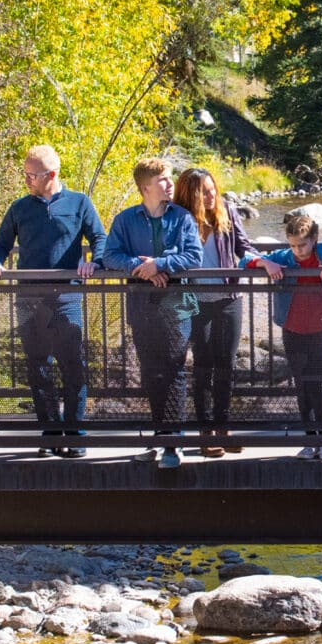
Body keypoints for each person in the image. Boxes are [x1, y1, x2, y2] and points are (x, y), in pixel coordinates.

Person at [0, 144, 106, 456]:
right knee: (38, 367)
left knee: (73, 365)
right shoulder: (20, 208)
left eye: (31, 175)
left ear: (51, 175)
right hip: (29, 298)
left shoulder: (79, 203)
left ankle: (74, 435)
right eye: (24, 174)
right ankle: (50, 433)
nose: (26, 180)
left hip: (67, 296)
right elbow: (0, 244)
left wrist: (95, 262)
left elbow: (100, 239)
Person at [100, 156, 203, 469]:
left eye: (169, 179)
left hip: (177, 305)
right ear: (145, 187)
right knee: (151, 371)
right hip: (142, 304)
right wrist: (141, 268)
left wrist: (160, 264)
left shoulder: (182, 218)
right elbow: (110, 256)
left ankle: (174, 442)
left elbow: (194, 256)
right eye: (163, 180)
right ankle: (159, 437)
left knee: (174, 369)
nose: (170, 184)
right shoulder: (126, 220)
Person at [254, 204, 322, 460]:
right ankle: (308, 440)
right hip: (291, 329)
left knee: (316, 385)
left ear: (313, 240)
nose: (297, 251)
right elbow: (243, 261)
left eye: (302, 245)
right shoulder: (285, 257)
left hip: (317, 330)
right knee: (301, 386)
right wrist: (264, 262)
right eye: (292, 245)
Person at [176, 167, 250, 457]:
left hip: (228, 298)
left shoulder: (227, 211)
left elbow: (244, 247)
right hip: (195, 302)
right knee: (203, 366)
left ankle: (223, 426)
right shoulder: (180, 218)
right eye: (204, 191)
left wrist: (266, 262)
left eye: (212, 189)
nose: (211, 195)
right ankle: (205, 432)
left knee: (226, 365)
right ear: (190, 194)